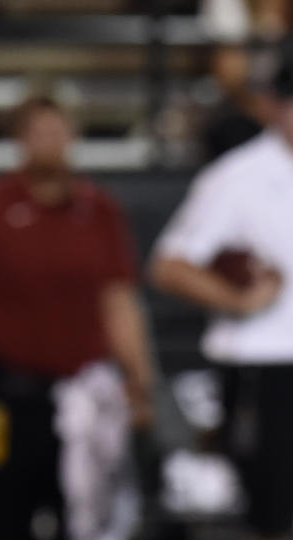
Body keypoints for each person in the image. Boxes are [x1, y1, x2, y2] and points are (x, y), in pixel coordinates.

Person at [0, 97, 153, 540]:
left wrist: (139, 379)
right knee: (8, 512)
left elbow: (118, 299)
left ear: (73, 137)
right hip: (10, 392)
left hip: (87, 394)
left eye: (58, 132)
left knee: (85, 514)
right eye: (39, 133)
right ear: (18, 140)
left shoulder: (100, 210)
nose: (50, 143)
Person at [149, 47, 293, 540]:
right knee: (273, 512)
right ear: (274, 105)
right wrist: (238, 301)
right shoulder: (236, 178)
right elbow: (170, 264)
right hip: (267, 364)